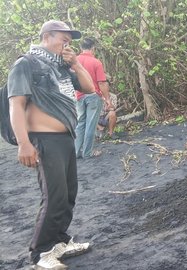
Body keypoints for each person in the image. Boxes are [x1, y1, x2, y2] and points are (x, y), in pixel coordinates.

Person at [7, 20, 94, 269]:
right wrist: (24, 143)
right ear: (47, 36)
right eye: (63, 38)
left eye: (69, 40)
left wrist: (75, 63)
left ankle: (59, 243)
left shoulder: (61, 67)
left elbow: (89, 88)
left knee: (68, 194)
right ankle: (40, 252)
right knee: (54, 196)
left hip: (66, 138)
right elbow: (17, 104)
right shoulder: (26, 64)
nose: (67, 43)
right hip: (45, 140)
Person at [74, 37, 111, 158]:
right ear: (93, 48)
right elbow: (102, 82)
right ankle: (87, 152)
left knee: (80, 124)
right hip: (93, 96)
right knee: (90, 124)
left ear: (81, 48)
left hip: (79, 95)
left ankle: (76, 152)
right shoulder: (96, 62)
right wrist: (107, 99)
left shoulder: (74, 61)